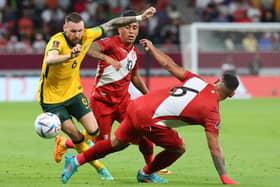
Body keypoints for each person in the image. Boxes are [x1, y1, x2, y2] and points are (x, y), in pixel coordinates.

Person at [60, 39, 239, 185]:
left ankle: (75, 161)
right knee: (178, 148)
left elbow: (169, 64)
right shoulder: (212, 113)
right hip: (149, 119)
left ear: (217, 80)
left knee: (116, 144)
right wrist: (224, 177)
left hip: (136, 105)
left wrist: (153, 49)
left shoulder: (197, 80)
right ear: (231, 94)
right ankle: (146, 173)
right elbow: (214, 148)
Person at [37, 8, 156, 181]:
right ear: (65, 28)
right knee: (79, 136)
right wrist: (70, 55)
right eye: (73, 31)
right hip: (52, 99)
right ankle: (100, 170)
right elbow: (50, 59)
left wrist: (141, 17)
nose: (77, 35)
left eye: (80, 30)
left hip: (74, 93)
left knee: (94, 131)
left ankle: (65, 144)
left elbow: (112, 23)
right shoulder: (57, 41)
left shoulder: (87, 35)